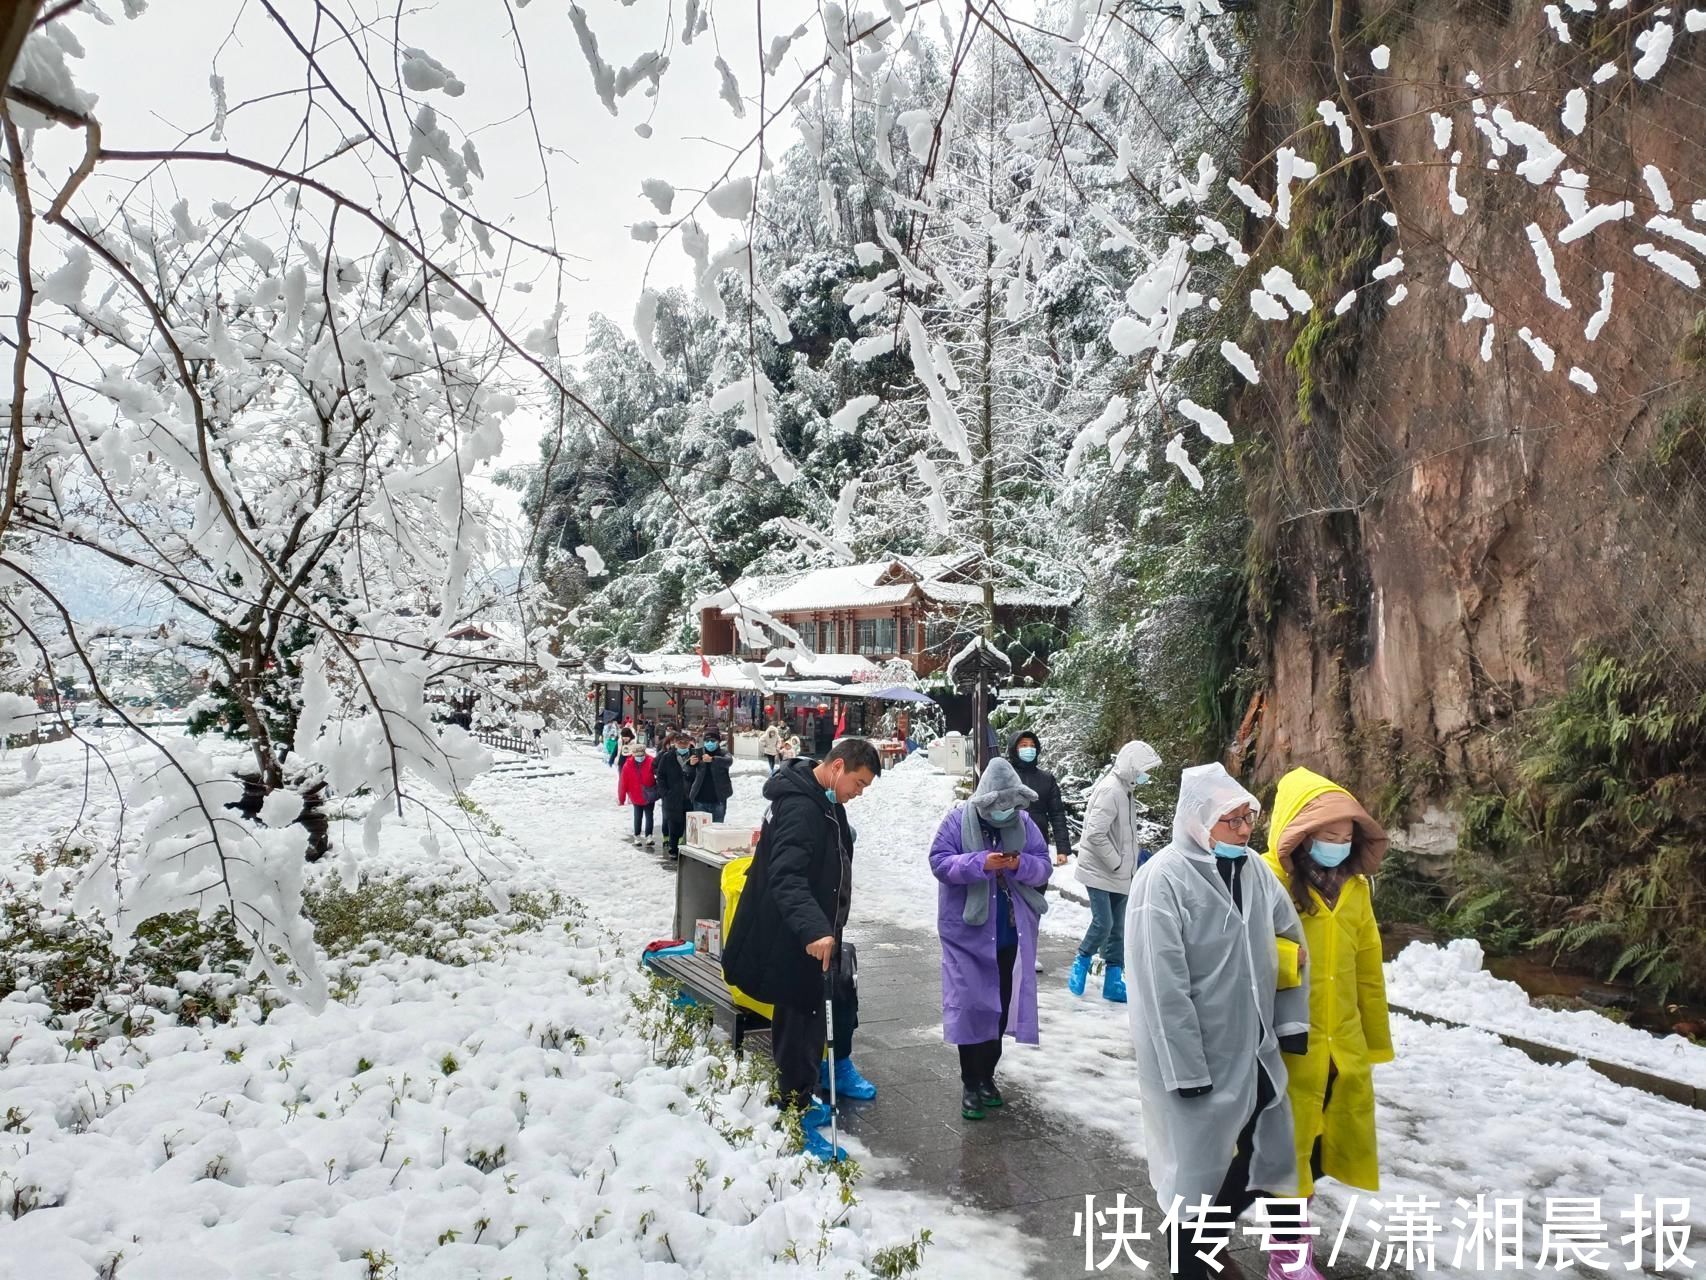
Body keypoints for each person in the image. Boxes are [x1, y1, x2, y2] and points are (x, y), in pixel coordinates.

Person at [1125, 763, 1310, 1280]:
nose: (1245, 830)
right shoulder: (1161, 880)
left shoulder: (1252, 871)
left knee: (1258, 1154)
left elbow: (1293, 946)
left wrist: (1292, 1025)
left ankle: (1207, 1245)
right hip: (1191, 1056)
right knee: (1192, 1175)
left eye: (1248, 817)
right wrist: (1185, 1069)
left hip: (1251, 1050)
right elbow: (1162, 987)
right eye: (1231, 820)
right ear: (1198, 819)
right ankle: (1190, 1264)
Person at [720, 739, 883, 1163]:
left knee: (808, 1017)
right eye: (859, 783)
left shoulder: (823, 800)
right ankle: (794, 1113)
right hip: (791, 938)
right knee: (800, 1024)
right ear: (838, 766)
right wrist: (813, 929)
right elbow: (787, 875)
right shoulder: (800, 806)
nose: (859, 793)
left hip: (812, 935)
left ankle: (803, 1095)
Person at [1259, 768, 1393, 1280]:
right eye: (1327, 836)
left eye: (1346, 837)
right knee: (1279, 1154)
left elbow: (1368, 969)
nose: (1338, 845)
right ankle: (1285, 1258)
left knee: (1310, 1155)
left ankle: (1289, 1249)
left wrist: (1372, 1044)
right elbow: (1237, 953)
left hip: (1340, 1045)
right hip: (1285, 1043)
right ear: (1298, 834)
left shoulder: (1355, 889)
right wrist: (1292, 961)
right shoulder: (1265, 879)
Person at [928, 757, 1052, 1121]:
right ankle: (970, 1082)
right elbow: (939, 862)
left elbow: (1043, 864)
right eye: (999, 808)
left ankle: (988, 1078)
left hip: (1010, 932)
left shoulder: (1024, 823)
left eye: (1011, 808)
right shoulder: (956, 821)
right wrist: (981, 862)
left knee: (999, 1007)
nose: (1005, 814)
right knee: (971, 1007)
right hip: (966, 933)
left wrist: (1017, 865)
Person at [1070, 739, 1163, 1003]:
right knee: (1104, 922)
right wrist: (1118, 863)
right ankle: (1081, 961)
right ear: (1132, 766)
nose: (1147, 775)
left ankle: (1113, 980)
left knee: (1118, 928)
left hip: (1120, 873)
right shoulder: (1111, 791)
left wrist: (1130, 863)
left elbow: (1123, 834)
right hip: (1100, 871)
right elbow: (1095, 834)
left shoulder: (1126, 790)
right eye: (1144, 769)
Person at [1008, 731, 1074, 866]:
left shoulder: (1046, 779)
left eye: (1032, 746)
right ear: (1014, 749)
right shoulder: (1005, 777)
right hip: (1009, 841)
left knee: (1038, 881)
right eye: (1024, 745)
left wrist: (1062, 849)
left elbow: (1057, 814)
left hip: (1038, 842)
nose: (1029, 749)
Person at [653, 731, 694, 860]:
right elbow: (661, 776)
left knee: (687, 824)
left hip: (688, 796)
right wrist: (664, 793)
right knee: (673, 823)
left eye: (685, 743)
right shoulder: (667, 757)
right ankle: (673, 848)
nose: (682, 745)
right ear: (675, 743)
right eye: (680, 742)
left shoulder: (694, 756)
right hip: (672, 797)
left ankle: (685, 848)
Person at [619, 741, 658, 846]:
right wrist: (621, 798)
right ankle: (637, 836)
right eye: (637, 755)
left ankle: (649, 836)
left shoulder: (651, 761)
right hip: (635, 794)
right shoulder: (628, 765)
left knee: (649, 815)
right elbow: (623, 782)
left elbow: (658, 776)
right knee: (638, 816)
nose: (640, 757)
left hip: (649, 794)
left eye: (641, 755)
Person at [690, 728, 734, 823]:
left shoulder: (723, 753)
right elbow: (687, 770)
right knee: (700, 829)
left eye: (713, 741)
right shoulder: (698, 753)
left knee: (717, 828)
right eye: (707, 741)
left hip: (718, 799)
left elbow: (728, 761)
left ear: (718, 742)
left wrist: (713, 759)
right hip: (700, 799)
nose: (709, 743)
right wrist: (691, 764)